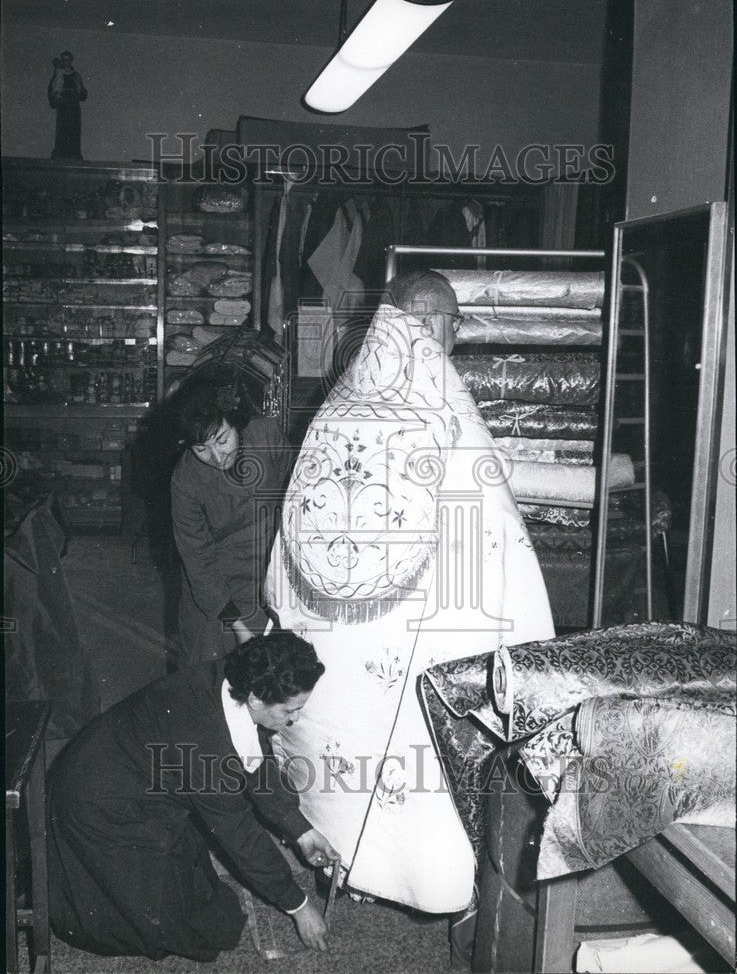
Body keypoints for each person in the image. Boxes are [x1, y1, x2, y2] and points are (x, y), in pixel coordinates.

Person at [264, 270, 554, 915]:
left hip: (335, 639)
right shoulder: (444, 407)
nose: (456, 337)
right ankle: (432, 884)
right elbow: (493, 528)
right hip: (423, 639)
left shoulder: (338, 405)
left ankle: (345, 863)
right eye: (454, 323)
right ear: (431, 319)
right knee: (423, 769)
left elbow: (294, 521)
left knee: (344, 748)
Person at [48, 630, 339, 961]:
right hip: (98, 806)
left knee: (200, 898)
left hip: (115, 770)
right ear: (257, 699)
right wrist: (298, 905)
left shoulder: (232, 677)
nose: (295, 718)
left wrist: (300, 829)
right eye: (291, 710)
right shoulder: (207, 750)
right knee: (175, 930)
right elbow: (240, 836)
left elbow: (252, 762)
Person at [170, 375, 292, 667]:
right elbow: (198, 562)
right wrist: (238, 628)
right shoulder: (185, 481)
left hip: (269, 573)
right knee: (212, 676)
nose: (216, 455)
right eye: (201, 449)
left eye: (222, 440)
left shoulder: (267, 435)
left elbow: (296, 494)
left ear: (235, 421)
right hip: (216, 591)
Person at [48, 51, 87, 160]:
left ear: (71, 60)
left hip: (73, 106)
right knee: (62, 129)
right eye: (64, 60)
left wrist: (79, 92)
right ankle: (61, 152)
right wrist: (56, 98)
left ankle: (74, 152)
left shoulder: (76, 76)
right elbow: (52, 91)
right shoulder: (58, 74)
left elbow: (82, 93)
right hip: (63, 106)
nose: (66, 62)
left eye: (68, 59)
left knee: (74, 129)